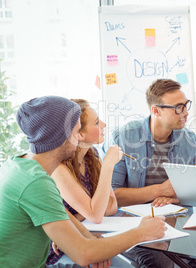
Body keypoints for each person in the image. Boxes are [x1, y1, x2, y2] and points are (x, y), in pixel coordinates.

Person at [0, 96, 166, 267]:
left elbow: (64, 215)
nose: (79, 138)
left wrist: (94, 246)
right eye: (76, 131)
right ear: (60, 136)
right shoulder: (35, 182)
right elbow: (83, 254)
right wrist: (141, 233)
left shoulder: (19, 165)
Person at [104, 79, 196, 207]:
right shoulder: (123, 137)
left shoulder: (189, 138)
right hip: (135, 219)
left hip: (178, 216)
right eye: (178, 108)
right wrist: (159, 190)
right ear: (156, 111)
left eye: (185, 106)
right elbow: (111, 196)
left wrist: (179, 198)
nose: (186, 113)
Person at [46, 99, 122, 266]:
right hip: (61, 248)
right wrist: (109, 164)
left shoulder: (92, 155)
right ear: (78, 133)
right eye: (96, 122)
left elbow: (111, 206)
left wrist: (78, 217)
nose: (104, 124)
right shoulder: (59, 167)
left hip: (85, 235)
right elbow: (96, 215)